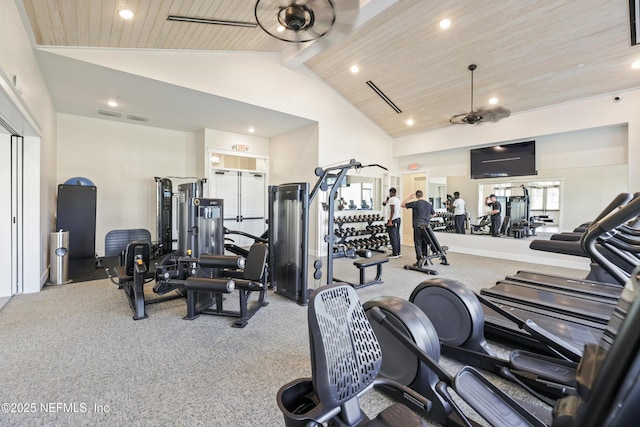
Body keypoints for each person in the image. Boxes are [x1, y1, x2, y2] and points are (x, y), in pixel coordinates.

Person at [401, 190, 435, 265]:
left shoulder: (416, 203)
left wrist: (409, 198)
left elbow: (402, 204)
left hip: (418, 226)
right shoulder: (428, 204)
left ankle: (419, 260)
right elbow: (433, 214)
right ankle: (425, 260)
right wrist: (427, 218)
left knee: (418, 243)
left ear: (416, 196)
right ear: (422, 195)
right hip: (426, 227)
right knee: (424, 243)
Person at [385, 188, 401, 258]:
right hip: (398, 219)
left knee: (393, 237)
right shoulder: (397, 199)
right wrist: (386, 200)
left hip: (393, 219)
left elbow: (392, 210)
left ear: (391, 193)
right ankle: (398, 252)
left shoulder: (392, 199)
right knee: (397, 236)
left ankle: (395, 253)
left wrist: (390, 221)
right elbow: (384, 204)